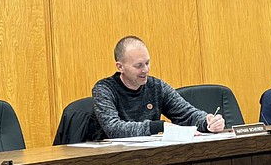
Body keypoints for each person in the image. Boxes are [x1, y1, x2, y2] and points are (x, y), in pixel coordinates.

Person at [92, 36, 225, 138]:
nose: (145, 70)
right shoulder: (104, 89)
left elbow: (187, 114)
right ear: (120, 67)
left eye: (147, 63)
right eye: (138, 66)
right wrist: (159, 127)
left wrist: (207, 123)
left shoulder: (156, 86)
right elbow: (114, 129)